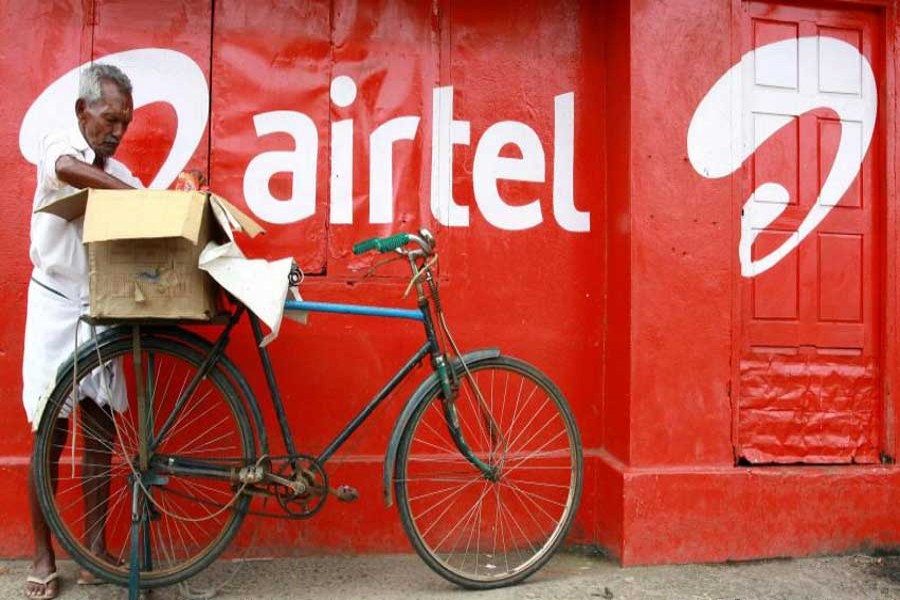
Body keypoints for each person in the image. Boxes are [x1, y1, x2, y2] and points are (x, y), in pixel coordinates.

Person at [23, 63, 142, 600]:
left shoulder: (123, 174)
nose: (116, 130)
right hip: (54, 305)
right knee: (50, 432)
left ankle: (93, 549)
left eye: (125, 121)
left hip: (100, 308)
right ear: (83, 111)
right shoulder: (59, 144)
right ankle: (43, 554)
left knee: (100, 429)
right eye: (109, 118)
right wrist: (124, 191)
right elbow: (69, 170)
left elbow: (144, 206)